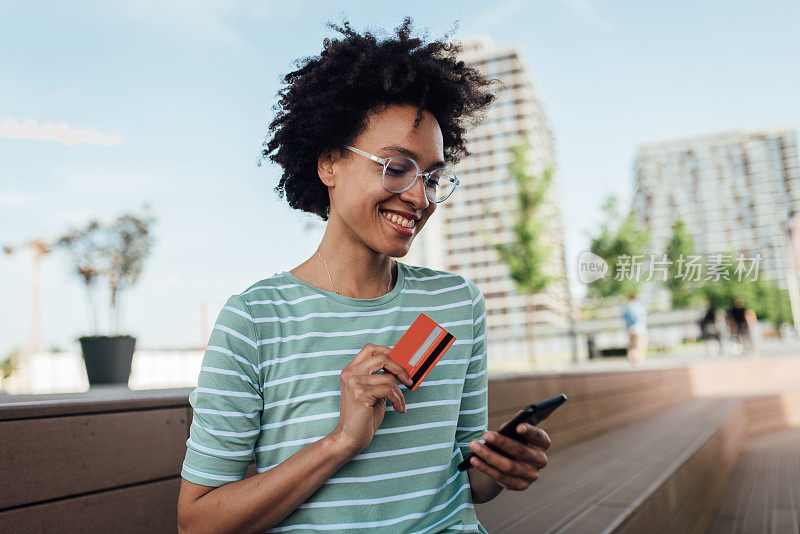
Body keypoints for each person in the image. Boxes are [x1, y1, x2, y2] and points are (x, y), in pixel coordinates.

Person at [177, 18, 552, 534]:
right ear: (329, 163)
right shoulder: (256, 321)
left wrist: (501, 469)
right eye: (397, 167)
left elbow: (466, 482)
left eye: (432, 177)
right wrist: (341, 441)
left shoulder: (457, 302)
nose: (420, 197)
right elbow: (198, 523)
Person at [622, 293, 648, 366]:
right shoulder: (639, 306)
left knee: (632, 346)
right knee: (639, 345)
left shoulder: (627, 307)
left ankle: (633, 359)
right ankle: (638, 360)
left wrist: (629, 328)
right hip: (640, 329)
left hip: (631, 329)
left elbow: (625, 319)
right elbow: (639, 318)